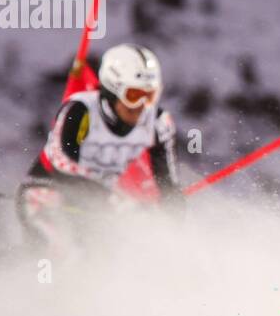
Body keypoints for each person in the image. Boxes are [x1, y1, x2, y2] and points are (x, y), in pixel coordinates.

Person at [17, 43, 181, 253]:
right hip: (46, 192)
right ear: (113, 90)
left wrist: (171, 208)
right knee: (55, 250)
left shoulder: (158, 123)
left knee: (104, 260)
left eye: (149, 96)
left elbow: (166, 182)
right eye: (133, 95)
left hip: (96, 205)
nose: (142, 106)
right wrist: (111, 197)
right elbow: (63, 161)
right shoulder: (81, 110)